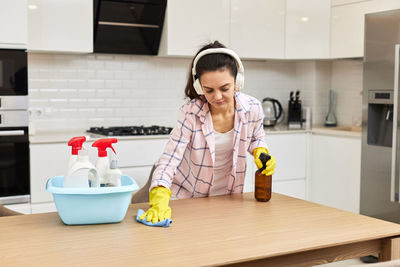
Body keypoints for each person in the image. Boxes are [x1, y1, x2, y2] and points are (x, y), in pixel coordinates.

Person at [139, 41, 276, 223]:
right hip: (187, 198)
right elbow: (169, 161)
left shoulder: (252, 108)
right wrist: (159, 199)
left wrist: (260, 151)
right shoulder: (191, 113)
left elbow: (257, 137)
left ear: (238, 82)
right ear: (199, 87)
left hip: (228, 198)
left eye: (225, 88)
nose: (217, 97)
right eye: (208, 90)